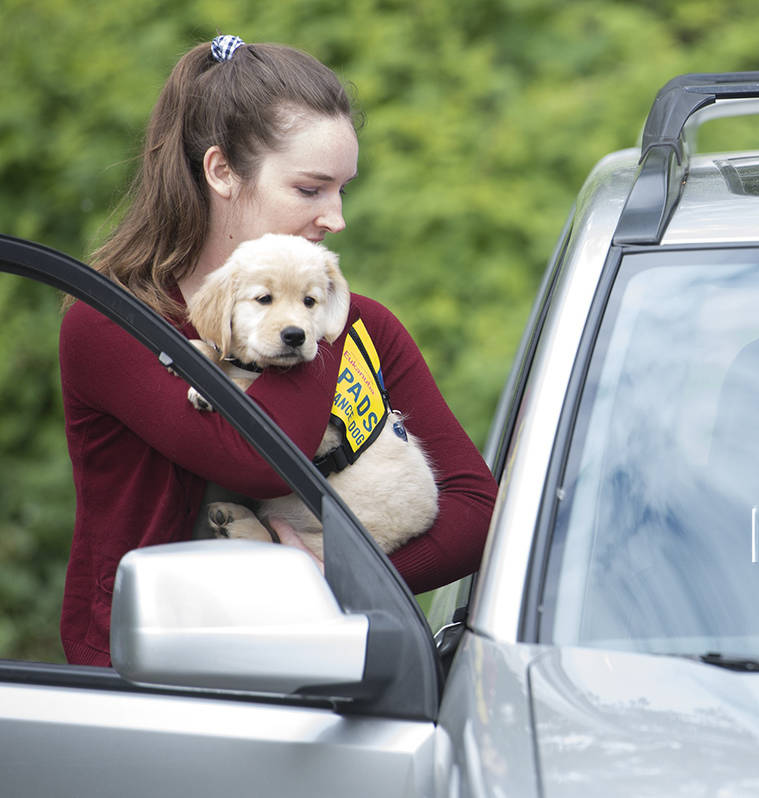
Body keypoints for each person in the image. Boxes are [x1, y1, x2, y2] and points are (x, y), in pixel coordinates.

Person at [58, 35, 498, 667]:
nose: (337, 216)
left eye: (343, 189)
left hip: (318, 669)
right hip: (149, 679)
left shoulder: (361, 324)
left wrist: (332, 580)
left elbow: (474, 509)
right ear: (221, 172)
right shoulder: (113, 324)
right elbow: (260, 461)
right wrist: (310, 317)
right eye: (311, 189)